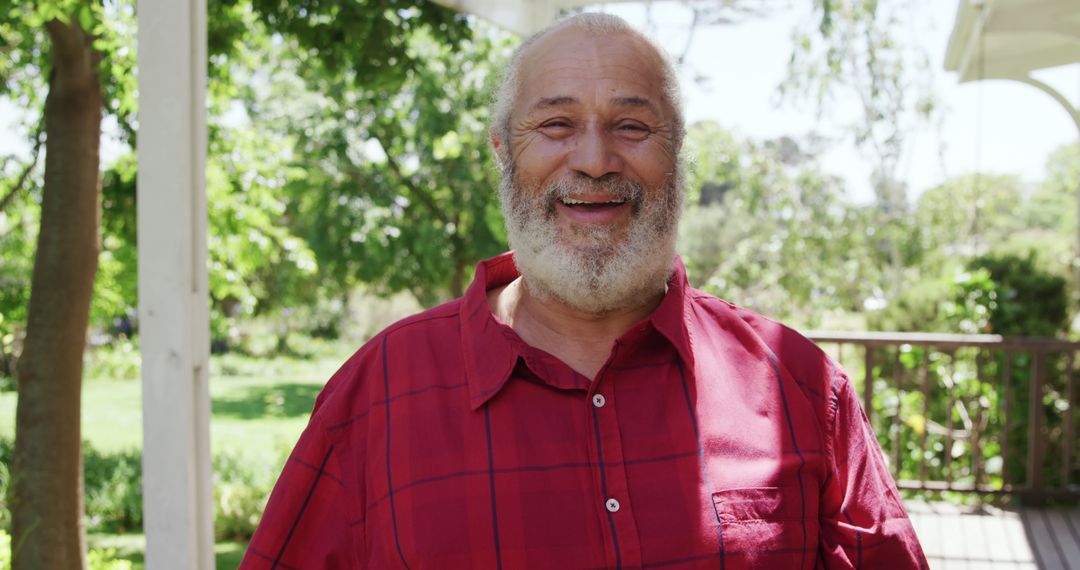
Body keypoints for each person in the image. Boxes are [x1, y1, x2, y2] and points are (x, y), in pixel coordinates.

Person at [240, 12, 928, 569]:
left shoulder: (801, 388)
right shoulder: (375, 397)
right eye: (556, 125)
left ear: (678, 153)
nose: (595, 160)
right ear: (504, 151)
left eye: (632, 125)